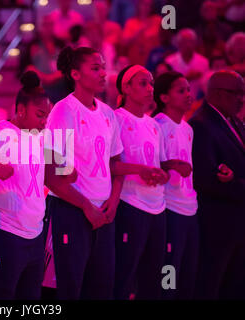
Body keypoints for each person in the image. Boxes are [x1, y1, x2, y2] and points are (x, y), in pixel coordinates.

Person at [45, 48, 162, 299]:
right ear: (75, 74)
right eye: (95, 68)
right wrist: (86, 206)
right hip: (73, 210)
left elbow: (115, 164)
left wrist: (114, 199)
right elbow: (51, 174)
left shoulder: (108, 113)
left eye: (103, 67)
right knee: (71, 289)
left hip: (105, 212)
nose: (103, 73)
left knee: (102, 289)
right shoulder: (64, 111)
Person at [0, 71, 71, 300]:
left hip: (35, 233)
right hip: (4, 232)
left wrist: (67, 167)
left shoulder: (43, 138)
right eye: (40, 115)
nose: (44, 121)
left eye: (47, 116)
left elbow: (60, 174)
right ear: (21, 110)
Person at [114, 65, 185, 300]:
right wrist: (141, 170)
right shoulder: (116, 119)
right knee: (124, 276)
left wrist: (162, 174)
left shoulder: (154, 125)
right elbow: (110, 165)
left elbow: (160, 166)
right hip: (130, 204)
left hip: (158, 207)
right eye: (143, 83)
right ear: (126, 87)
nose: (149, 88)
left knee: (153, 278)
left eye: (151, 83)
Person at [189, 70, 245, 299]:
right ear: (219, 94)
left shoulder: (234, 121)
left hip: (237, 221)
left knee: (235, 286)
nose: (242, 99)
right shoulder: (201, 125)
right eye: (238, 93)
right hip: (217, 223)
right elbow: (207, 180)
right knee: (211, 284)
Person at [152, 71, 199, 299]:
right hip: (170, 207)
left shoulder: (188, 128)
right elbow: (150, 163)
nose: (188, 95)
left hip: (190, 207)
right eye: (181, 90)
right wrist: (171, 164)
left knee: (188, 272)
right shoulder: (158, 125)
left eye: (189, 89)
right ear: (164, 97)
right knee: (169, 269)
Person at [165, 29, 209, 100]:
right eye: (184, 41)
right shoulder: (169, 61)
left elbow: (206, 86)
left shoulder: (204, 62)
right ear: (178, 43)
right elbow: (166, 86)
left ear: (195, 43)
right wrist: (187, 77)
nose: (188, 45)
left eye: (190, 41)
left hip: (197, 103)